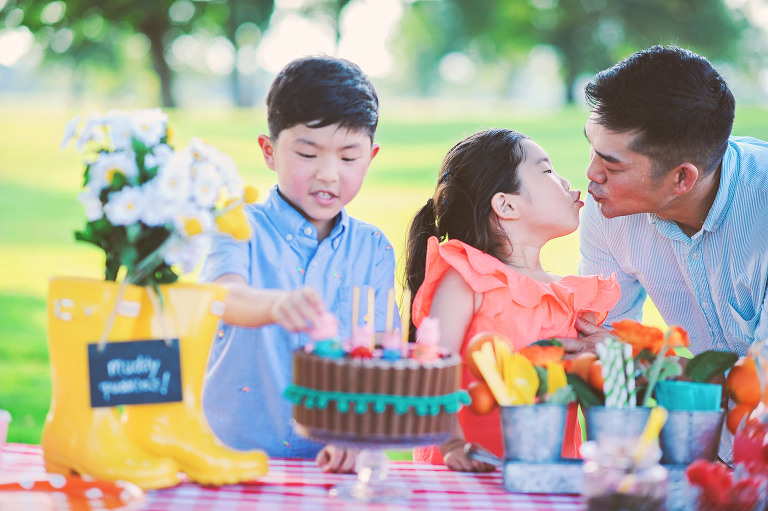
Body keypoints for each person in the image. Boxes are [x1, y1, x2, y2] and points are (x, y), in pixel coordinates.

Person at [198, 56, 396, 473]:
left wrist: (357, 435)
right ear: (269, 151)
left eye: (348, 158)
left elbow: (379, 354)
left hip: (330, 465)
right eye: (308, 153)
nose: (328, 174)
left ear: (371, 156)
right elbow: (221, 295)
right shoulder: (237, 223)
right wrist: (273, 305)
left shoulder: (373, 247)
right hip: (230, 459)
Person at [576, 45, 768, 462]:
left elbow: (760, 385)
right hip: (695, 459)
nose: (592, 174)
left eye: (612, 163)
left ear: (682, 177)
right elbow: (599, 349)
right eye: (592, 149)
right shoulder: (607, 208)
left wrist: (643, 361)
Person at [403, 128, 621, 471]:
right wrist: (453, 443)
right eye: (548, 171)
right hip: (466, 479)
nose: (567, 183)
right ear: (506, 204)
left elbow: (591, 395)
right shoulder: (468, 279)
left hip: (549, 480)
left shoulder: (570, 297)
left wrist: (609, 362)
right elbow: (430, 368)